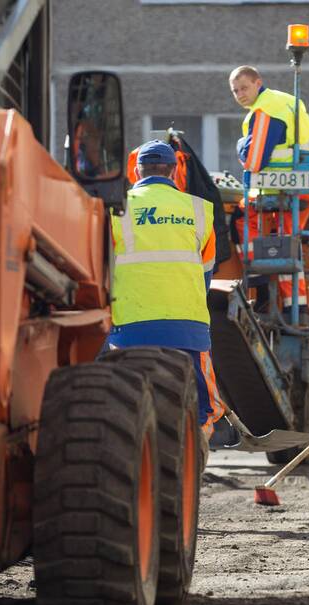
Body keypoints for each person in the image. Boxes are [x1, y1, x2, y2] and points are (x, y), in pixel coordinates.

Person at [107, 140, 225, 437]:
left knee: (124, 400)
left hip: (128, 327)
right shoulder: (200, 210)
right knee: (205, 408)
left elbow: (101, 271)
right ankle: (196, 454)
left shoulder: (114, 211)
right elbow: (206, 274)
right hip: (188, 328)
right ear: (174, 172)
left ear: (136, 171)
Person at [229, 65, 309, 310]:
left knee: (242, 219)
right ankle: (297, 306)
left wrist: (241, 143)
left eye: (244, 87)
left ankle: (259, 285)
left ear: (257, 82)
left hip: (286, 188)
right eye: (235, 91)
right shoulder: (287, 101)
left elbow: (254, 160)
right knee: (286, 237)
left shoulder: (265, 110)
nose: (240, 94)